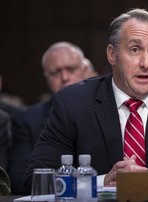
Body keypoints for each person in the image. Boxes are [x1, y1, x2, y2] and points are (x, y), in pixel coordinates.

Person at [22, 8, 148, 194]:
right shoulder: (73, 104)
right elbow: (35, 181)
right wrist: (101, 182)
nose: (146, 63)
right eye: (135, 49)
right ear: (112, 54)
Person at [8, 41, 96, 194]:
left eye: (71, 69)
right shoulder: (25, 121)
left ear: (85, 70)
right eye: (56, 72)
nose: (64, 78)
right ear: (46, 77)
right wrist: (81, 183)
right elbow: (19, 181)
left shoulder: (105, 111)